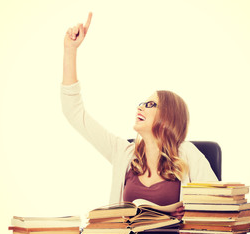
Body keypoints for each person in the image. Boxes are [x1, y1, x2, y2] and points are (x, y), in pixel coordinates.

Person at [61, 12, 218, 220]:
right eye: (142, 103)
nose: (141, 107)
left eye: (151, 104)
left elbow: (219, 207)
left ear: (169, 116)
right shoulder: (123, 154)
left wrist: (191, 212)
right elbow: (75, 114)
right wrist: (70, 50)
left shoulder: (188, 154)